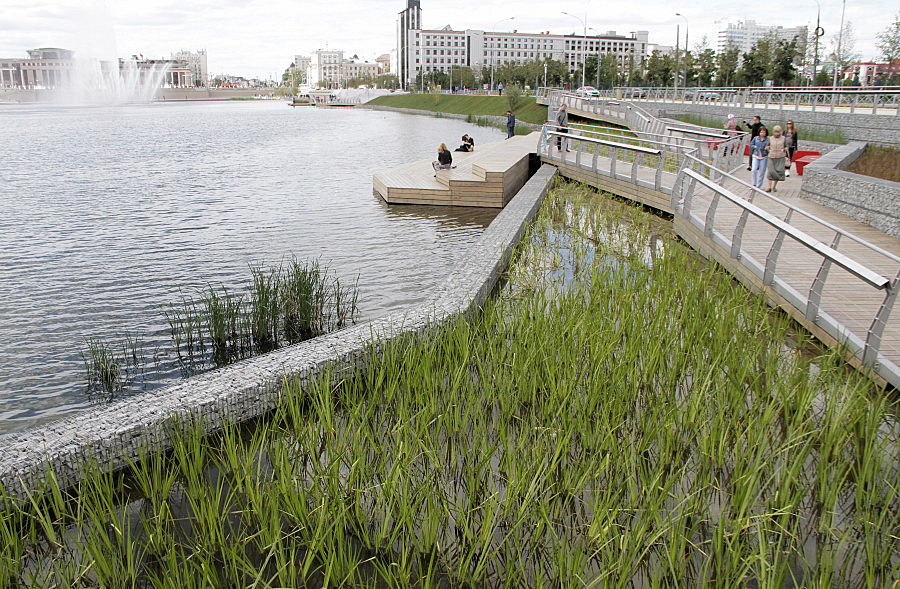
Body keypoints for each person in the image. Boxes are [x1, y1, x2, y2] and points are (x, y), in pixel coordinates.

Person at [766, 125, 787, 193]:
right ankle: (769, 187)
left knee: (778, 171)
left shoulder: (783, 138)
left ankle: (774, 186)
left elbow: (786, 146)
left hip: (780, 157)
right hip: (771, 156)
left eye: (778, 132)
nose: (776, 133)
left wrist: (784, 149)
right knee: (770, 172)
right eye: (775, 131)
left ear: (780, 132)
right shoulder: (770, 138)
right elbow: (767, 145)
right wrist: (768, 148)